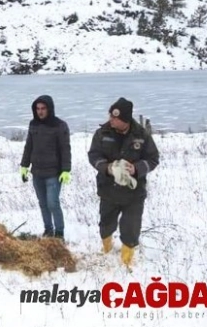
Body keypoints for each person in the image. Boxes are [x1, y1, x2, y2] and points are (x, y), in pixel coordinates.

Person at [87, 97, 160, 267]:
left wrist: (136, 168)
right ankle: (106, 246)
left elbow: (153, 159)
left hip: (133, 192)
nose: (111, 120)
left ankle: (127, 258)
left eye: (115, 118)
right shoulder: (102, 133)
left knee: (131, 227)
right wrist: (107, 167)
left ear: (125, 120)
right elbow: (94, 156)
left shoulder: (141, 135)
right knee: (106, 223)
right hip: (108, 189)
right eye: (110, 116)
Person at [19, 95, 71, 239]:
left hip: (53, 173)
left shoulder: (60, 125)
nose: (40, 112)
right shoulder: (33, 124)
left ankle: (59, 233)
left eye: (43, 108)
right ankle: (48, 230)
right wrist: (24, 166)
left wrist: (66, 170)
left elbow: (65, 148)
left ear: (49, 109)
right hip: (37, 172)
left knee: (52, 203)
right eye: (37, 109)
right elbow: (29, 146)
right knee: (43, 204)